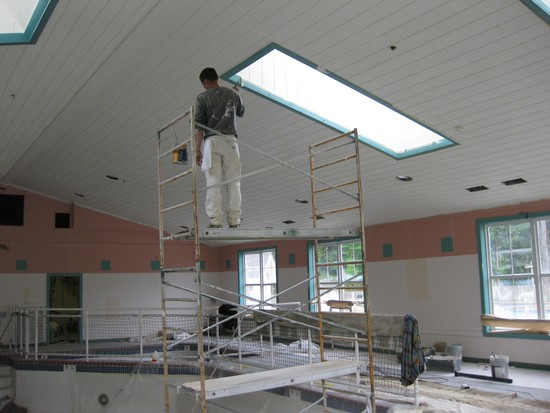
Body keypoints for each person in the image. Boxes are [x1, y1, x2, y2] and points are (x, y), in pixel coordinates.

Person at [194, 67, 245, 228]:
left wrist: (197, 150)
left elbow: (199, 128)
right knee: (234, 182)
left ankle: (216, 221)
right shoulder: (232, 94)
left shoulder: (202, 98)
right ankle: (235, 221)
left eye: (204, 84)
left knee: (213, 182)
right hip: (231, 142)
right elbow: (241, 112)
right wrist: (236, 93)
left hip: (212, 142)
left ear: (206, 82)